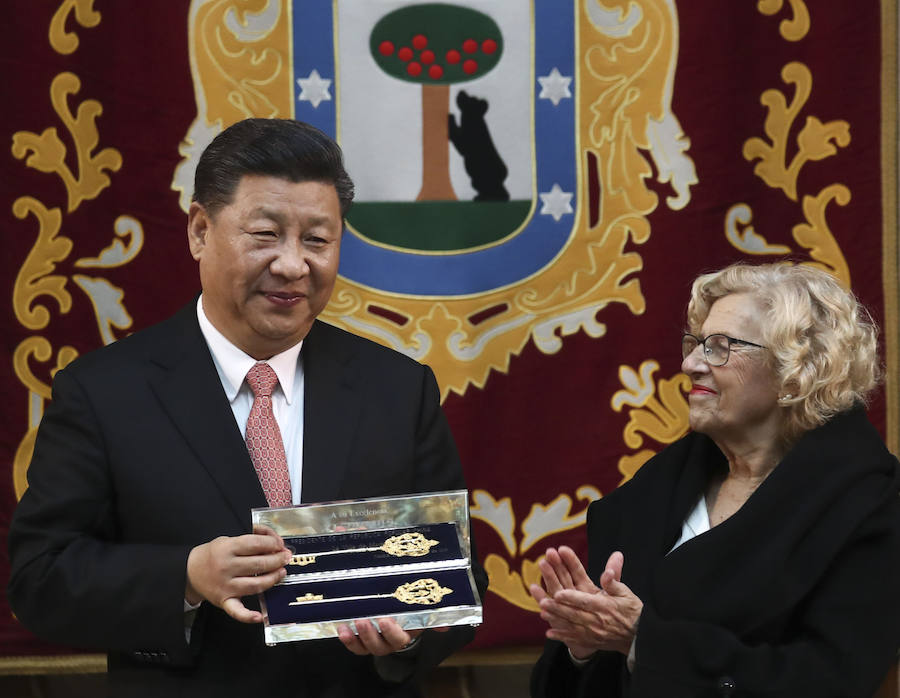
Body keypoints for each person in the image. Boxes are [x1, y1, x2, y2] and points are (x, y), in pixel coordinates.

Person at [8, 118, 487, 697]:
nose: (292, 265)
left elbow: (457, 575)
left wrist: (409, 635)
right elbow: (41, 579)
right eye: (265, 234)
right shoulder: (106, 392)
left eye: (317, 240)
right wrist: (185, 577)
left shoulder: (397, 388)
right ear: (200, 231)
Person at [530, 262, 900, 697]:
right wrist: (583, 647)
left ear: (797, 370)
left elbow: (827, 679)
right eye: (696, 344)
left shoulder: (867, 503)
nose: (690, 364)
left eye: (721, 347)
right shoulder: (656, 489)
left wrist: (645, 642)